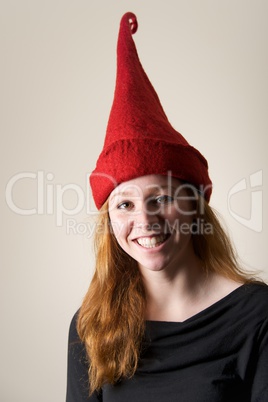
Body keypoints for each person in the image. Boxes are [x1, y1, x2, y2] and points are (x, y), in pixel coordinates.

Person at [66, 12, 268, 402]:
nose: (144, 220)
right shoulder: (90, 326)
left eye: (161, 198)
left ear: (194, 206)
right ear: (109, 220)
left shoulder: (257, 316)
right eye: (124, 204)